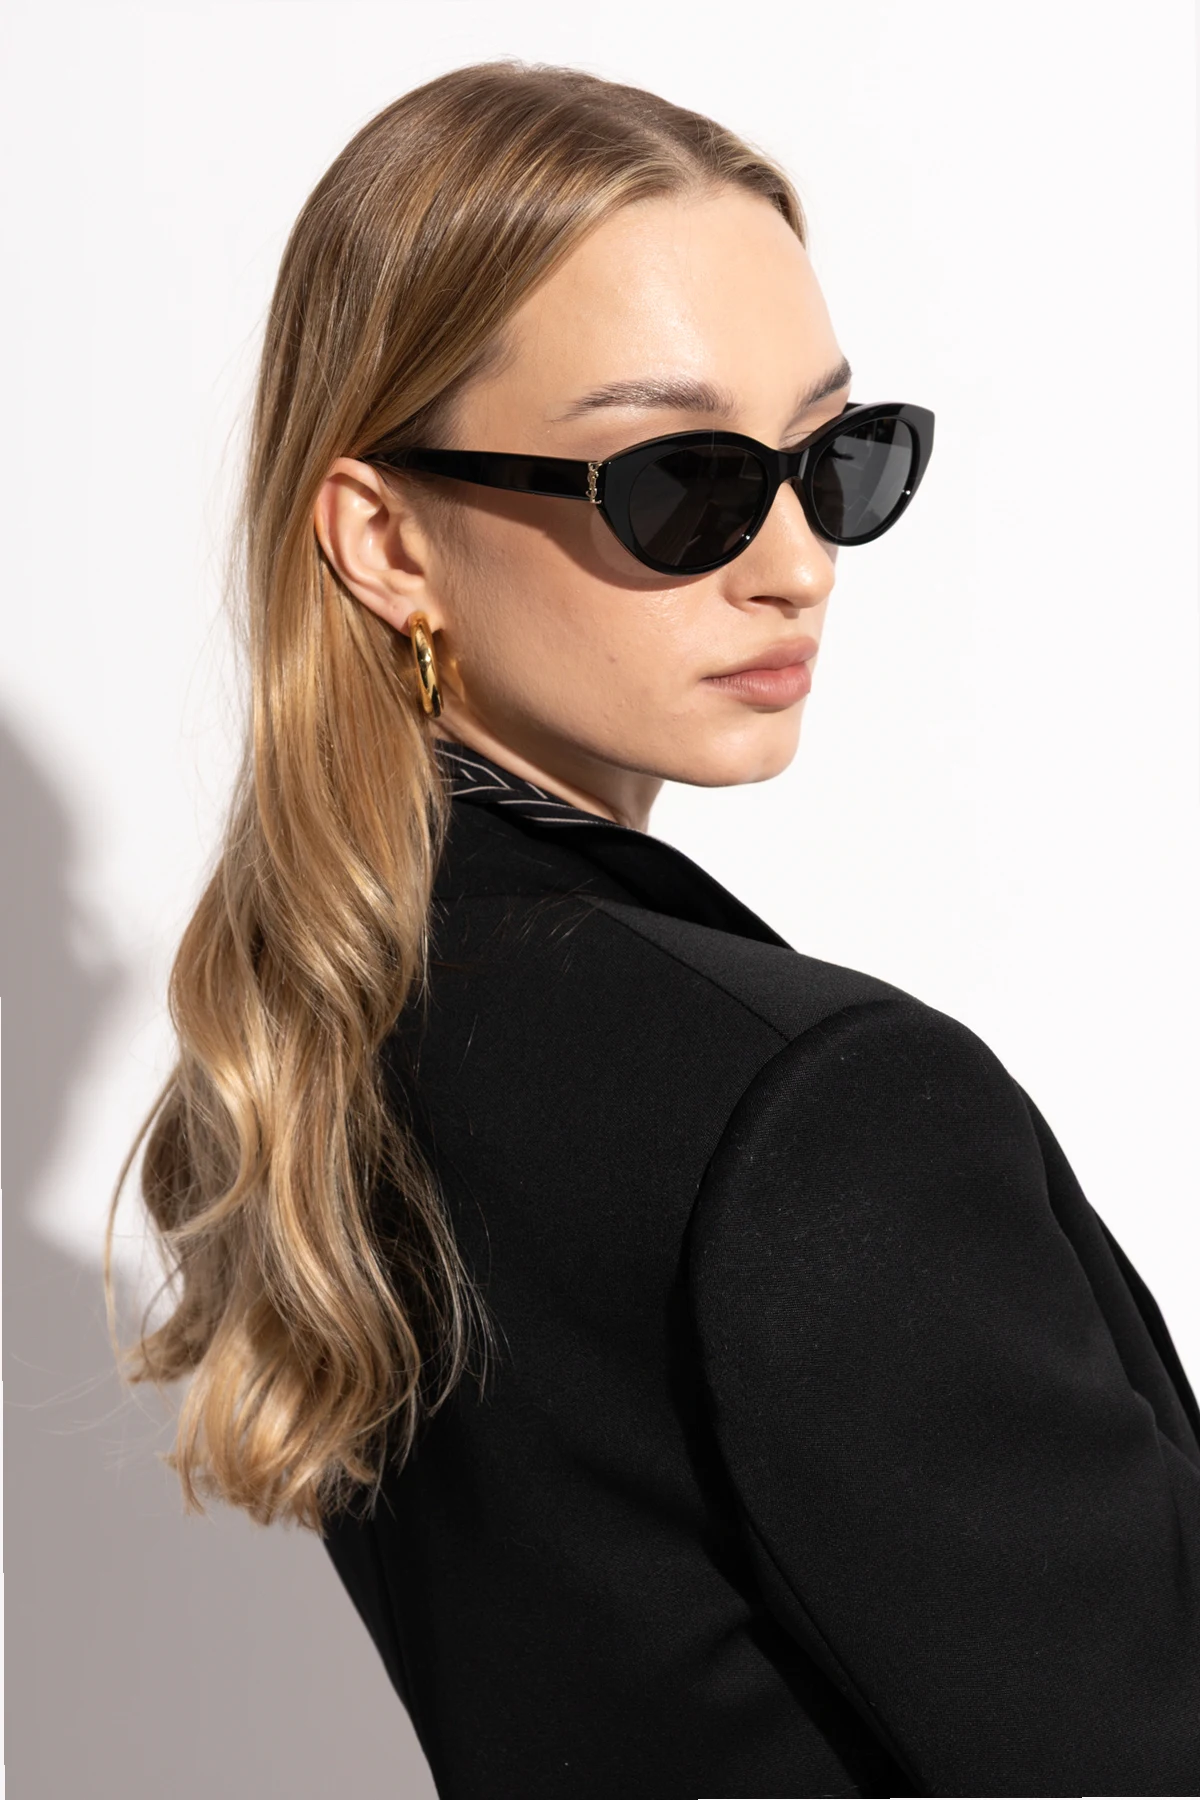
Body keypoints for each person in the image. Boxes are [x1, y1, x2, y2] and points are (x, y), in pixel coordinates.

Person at [107, 59, 1200, 1799]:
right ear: (387, 539)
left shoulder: (343, 1027)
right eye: (683, 480)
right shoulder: (821, 1112)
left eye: (835, 459)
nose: (798, 563)